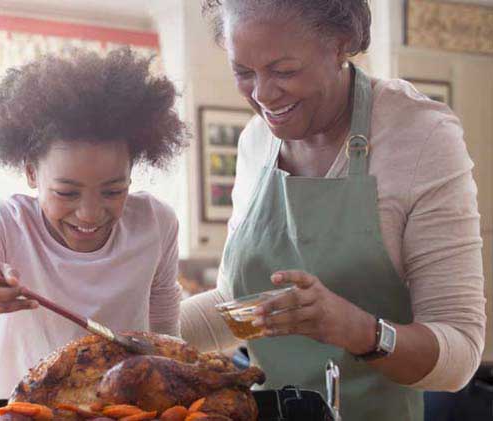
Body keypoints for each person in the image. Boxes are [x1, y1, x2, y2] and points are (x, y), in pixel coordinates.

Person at [180, 1, 486, 420]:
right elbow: (245, 309)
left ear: (341, 45)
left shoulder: (421, 136)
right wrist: (131, 331)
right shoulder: (256, 142)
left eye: (284, 71)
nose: (263, 95)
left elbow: (461, 354)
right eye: (243, 72)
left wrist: (359, 330)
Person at [0, 48, 187, 398]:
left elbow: (165, 337)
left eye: (113, 191)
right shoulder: (3, 223)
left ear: (132, 172)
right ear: (31, 172)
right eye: (67, 193)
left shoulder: (156, 222)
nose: (90, 214)